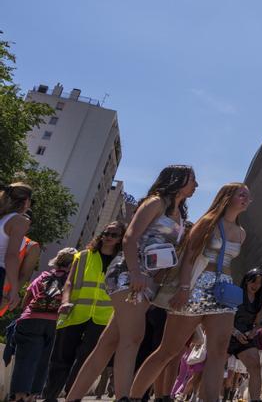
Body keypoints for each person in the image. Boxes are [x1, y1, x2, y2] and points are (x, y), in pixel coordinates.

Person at [65, 164, 195, 402]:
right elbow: (130, 237)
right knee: (134, 337)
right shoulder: (155, 203)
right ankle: (124, 397)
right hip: (129, 274)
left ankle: (73, 397)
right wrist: (135, 272)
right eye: (192, 179)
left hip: (149, 281)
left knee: (108, 344)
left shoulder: (180, 214)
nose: (196, 185)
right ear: (177, 180)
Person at [129, 182, 251, 402]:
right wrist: (184, 288)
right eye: (241, 194)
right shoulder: (208, 222)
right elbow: (189, 257)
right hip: (196, 286)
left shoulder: (242, 233)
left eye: (247, 196)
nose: (246, 199)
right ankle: (134, 397)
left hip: (223, 290)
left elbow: (227, 263)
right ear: (227, 197)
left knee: (219, 350)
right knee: (169, 349)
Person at [43, 222, 124, 401]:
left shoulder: (122, 261)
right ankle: (50, 396)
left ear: (121, 239)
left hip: (102, 318)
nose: (108, 236)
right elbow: (69, 282)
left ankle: (73, 397)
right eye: (106, 233)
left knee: (85, 361)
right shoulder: (84, 256)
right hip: (75, 312)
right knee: (60, 359)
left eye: (114, 234)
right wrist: (65, 301)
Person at [10, 247, 76, 401]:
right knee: (44, 361)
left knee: (26, 358)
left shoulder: (43, 276)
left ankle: (19, 396)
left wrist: (25, 314)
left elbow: (28, 297)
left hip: (31, 320)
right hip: (56, 323)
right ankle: (33, 395)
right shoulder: (71, 282)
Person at [228, 269, 262, 402]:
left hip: (245, 338)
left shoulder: (259, 303)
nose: (256, 285)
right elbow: (225, 318)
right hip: (228, 333)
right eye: (253, 281)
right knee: (215, 366)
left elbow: (259, 323)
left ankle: (255, 399)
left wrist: (254, 331)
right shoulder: (236, 294)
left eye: (259, 283)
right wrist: (236, 333)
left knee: (255, 366)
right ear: (246, 280)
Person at [0, 182, 34, 312]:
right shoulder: (19, 221)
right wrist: (14, 289)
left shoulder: (2, 217)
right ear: (26, 201)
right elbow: (11, 256)